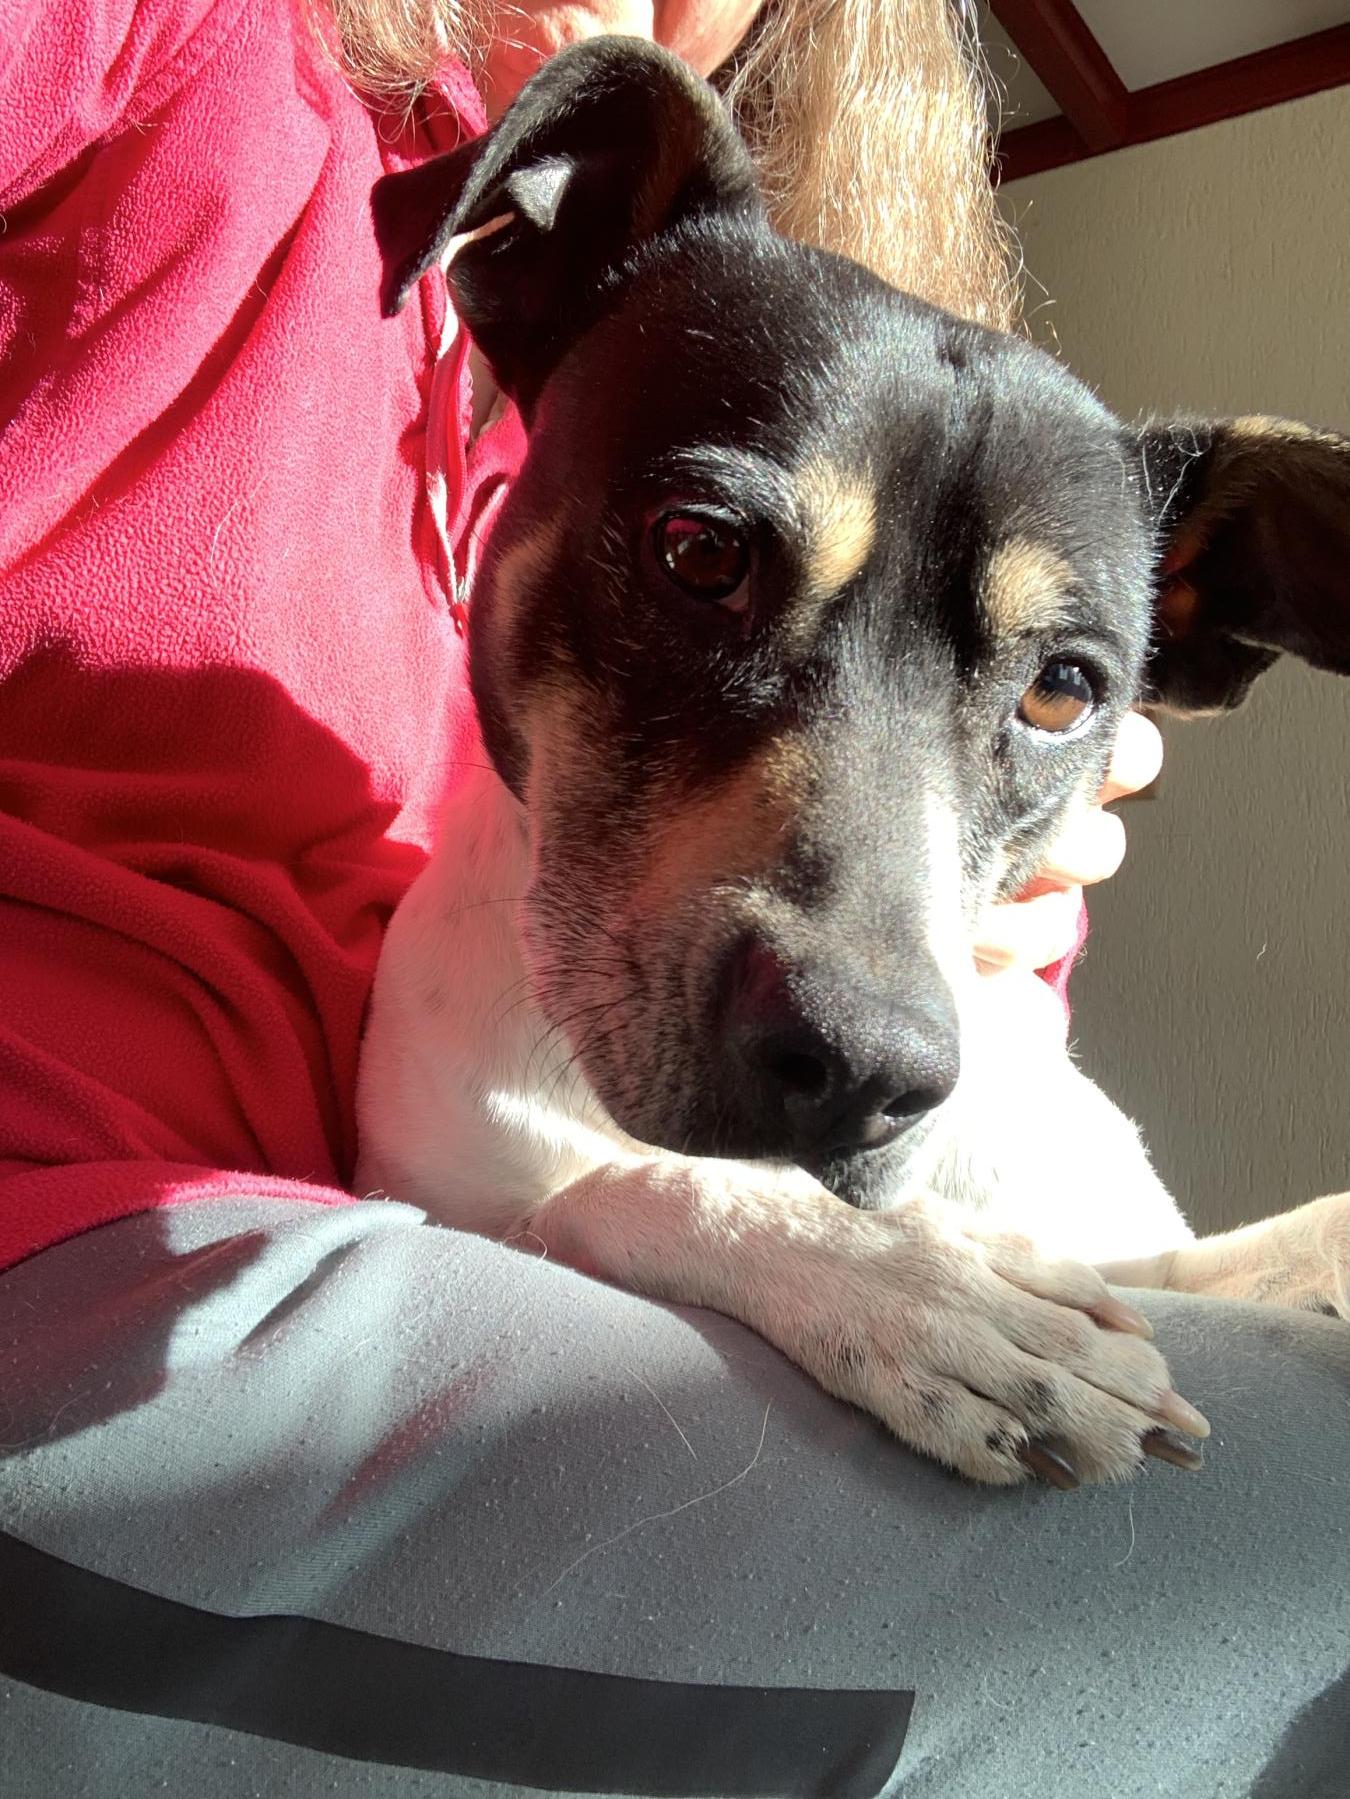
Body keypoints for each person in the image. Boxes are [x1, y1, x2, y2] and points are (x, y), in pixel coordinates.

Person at [0, 3, 1344, 1795]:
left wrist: (1008, 887)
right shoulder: (173, 44)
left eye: (1047, 686)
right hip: (82, 1240)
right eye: (707, 557)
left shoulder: (705, 365)